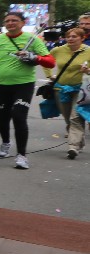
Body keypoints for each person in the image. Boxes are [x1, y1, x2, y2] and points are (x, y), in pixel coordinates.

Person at [0, 10, 53, 169]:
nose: (10, 23)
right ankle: (6, 142)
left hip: (24, 85)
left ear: (23, 23)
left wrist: (34, 57)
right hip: (2, 85)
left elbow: (51, 62)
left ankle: (21, 155)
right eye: (7, 21)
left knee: (19, 116)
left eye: (14, 20)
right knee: (2, 120)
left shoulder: (33, 39)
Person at [44, 26, 89, 159]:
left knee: (75, 117)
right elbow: (46, 61)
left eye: (74, 36)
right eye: (68, 36)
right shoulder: (58, 50)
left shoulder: (88, 51)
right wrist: (49, 75)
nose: (70, 39)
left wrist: (87, 70)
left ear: (82, 38)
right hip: (61, 89)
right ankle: (79, 141)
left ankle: (73, 146)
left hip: (80, 90)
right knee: (68, 118)